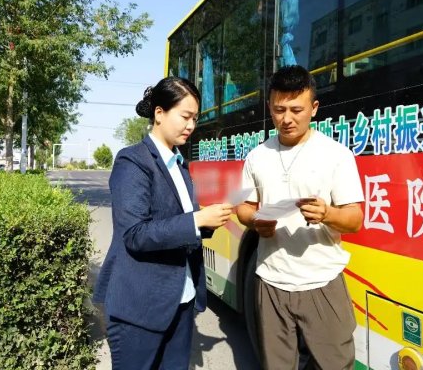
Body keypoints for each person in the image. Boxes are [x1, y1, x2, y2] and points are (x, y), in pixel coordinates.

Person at [92, 76, 233, 370]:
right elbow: (135, 234)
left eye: (195, 118)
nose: (191, 125)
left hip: (181, 301)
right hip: (140, 308)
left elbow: (176, 221)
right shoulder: (133, 161)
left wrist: (207, 222)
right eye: (185, 116)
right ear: (159, 113)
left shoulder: (179, 165)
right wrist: (196, 220)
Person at [237, 65, 365, 369]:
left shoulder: (336, 155)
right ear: (270, 107)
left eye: (296, 110)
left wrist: (328, 213)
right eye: (279, 109)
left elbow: (355, 219)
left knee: (335, 364)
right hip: (270, 281)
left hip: (322, 281)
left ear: (314, 108)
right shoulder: (256, 157)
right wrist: (255, 221)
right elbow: (243, 207)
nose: (287, 119)